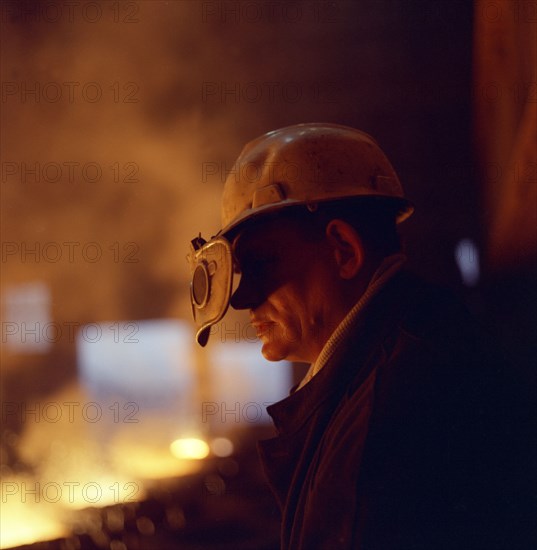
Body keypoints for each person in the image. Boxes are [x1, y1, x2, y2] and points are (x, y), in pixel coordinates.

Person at [188, 123, 529, 549]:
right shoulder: (403, 352)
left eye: (260, 264)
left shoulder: (393, 411)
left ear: (343, 250)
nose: (243, 298)